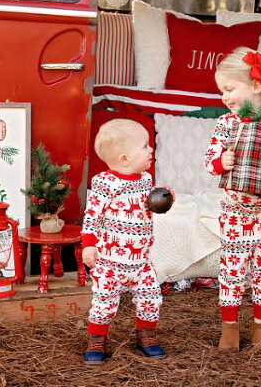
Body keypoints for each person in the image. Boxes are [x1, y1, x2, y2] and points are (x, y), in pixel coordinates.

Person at [204, 47, 261, 352]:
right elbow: (210, 159)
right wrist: (221, 162)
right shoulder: (226, 124)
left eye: (229, 88)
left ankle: (260, 329)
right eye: (221, 91)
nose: (224, 97)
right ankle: (230, 329)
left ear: (256, 86)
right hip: (236, 214)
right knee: (233, 272)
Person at [81, 118, 168, 363]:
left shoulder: (146, 180)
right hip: (110, 263)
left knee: (151, 297)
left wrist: (164, 198)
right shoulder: (104, 184)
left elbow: (149, 207)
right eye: (144, 146)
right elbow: (93, 215)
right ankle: (96, 341)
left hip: (141, 262)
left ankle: (146, 336)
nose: (151, 150)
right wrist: (88, 244)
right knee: (103, 303)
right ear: (124, 159)